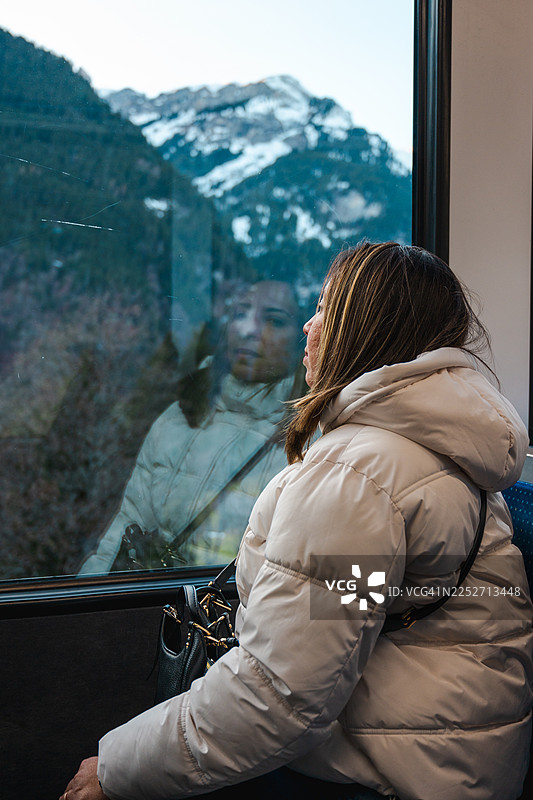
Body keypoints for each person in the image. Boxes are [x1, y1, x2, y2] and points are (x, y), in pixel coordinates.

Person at [64, 242, 533, 800]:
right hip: (455, 758)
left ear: (363, 330)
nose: (310, 328)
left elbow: (278, 698)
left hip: (391, 774)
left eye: (324, 310)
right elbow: (355, 601)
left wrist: (114, 769)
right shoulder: (427, 450)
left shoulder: (358, 476)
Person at [78, 280, 305, 573]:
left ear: (301, 340)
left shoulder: (307, 444)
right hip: (149, 598)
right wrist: (89, 595)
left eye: (274, 321)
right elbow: (124, 528)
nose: (249, 330)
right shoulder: (177, 418)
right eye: (240, 314)